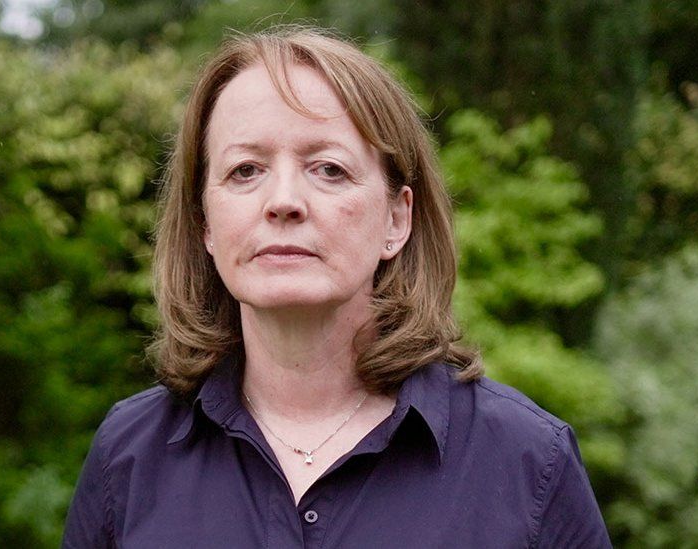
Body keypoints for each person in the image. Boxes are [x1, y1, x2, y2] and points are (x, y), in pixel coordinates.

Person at [62, 26, 612, 548]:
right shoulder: (129, 456)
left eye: (328, 169)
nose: (283, 201)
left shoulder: (528, 462)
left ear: (397, 220)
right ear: (206, 223)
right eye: (245, 170)